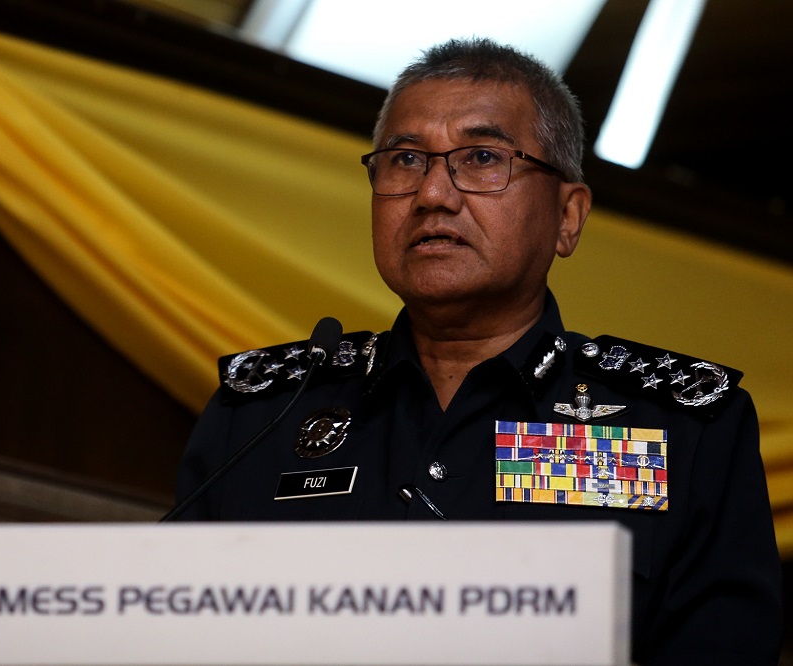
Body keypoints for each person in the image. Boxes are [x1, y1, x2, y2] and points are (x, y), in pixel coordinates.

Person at [173, 38, 782, 664]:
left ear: (568, 217)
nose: (434, 193)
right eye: (405, 160)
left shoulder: (679, 428)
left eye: (484, 157)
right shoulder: (264, 413)